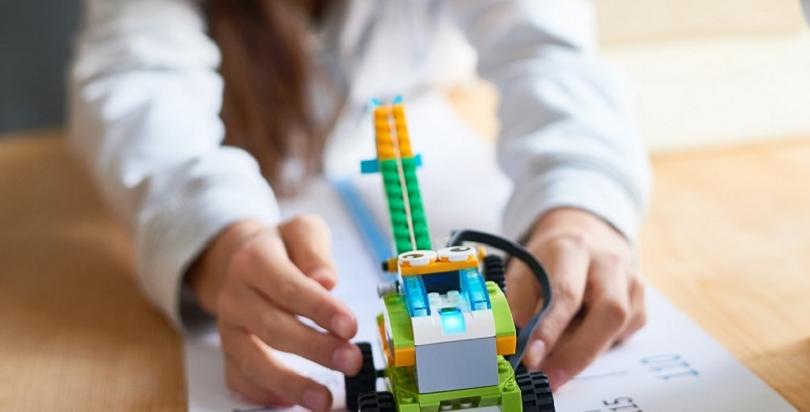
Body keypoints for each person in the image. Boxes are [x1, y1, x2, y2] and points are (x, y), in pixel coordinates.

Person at [70, 0, 650, 410]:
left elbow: (550, 51)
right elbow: (136, 81)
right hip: (240, 173)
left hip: (430, 139)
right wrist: (212, 236)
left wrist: (580, 208)